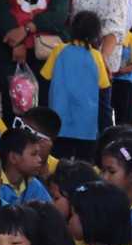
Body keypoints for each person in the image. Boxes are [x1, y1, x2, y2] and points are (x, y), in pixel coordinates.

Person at [39, 9, 112, 162]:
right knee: (84, 167)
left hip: (59, 124)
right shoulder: (96, 56)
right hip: (87, 126)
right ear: (95, 34)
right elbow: (104, 90)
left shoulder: (59, 50)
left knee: (58, 164)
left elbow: (44, 79)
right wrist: (106, 128)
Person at [0, 127, 52, 206]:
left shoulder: (33, 183)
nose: (39, 159)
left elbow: (49, 209)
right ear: (13, 158)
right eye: (34, 154)